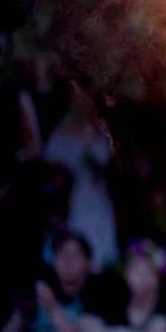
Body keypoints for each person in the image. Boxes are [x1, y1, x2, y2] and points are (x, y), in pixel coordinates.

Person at [45, 104, 118, 270]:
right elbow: (50, 163)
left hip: (96, 202)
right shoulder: (60, 135)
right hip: (69, 205)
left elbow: (105, 160)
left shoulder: (97, 134)